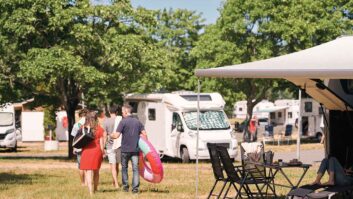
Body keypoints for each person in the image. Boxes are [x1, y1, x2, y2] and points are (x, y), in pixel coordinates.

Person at [110, 104, 147, 194]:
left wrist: (111, 135)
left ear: (126, 111)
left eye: (122, 112)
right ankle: (135, 189)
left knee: (124, 168)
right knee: (135, 169)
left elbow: (117, 135)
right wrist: (145, 149)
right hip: (135, 150)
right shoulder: (137, 122)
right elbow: (145, 135)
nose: (122, 113)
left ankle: (126, 188)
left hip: (125, 150)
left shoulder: (123, 122)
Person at [80, 112, 105, 195]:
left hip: (86, 151)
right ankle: (95, 188)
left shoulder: (83, 128)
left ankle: (91, 192)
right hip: (96, 151)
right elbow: (102, 143)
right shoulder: (99, 129)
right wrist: (102, 152)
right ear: (96, 119)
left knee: (88, 171)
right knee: (96, 171)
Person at [103, 105, 122, 189]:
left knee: (113, 166)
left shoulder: (106, 121)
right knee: (117, 165)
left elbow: (104, 135)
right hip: (118, 145)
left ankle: (115, 183)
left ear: (109, 112)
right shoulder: (120, 120)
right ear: (117, 112)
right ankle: (114, 182)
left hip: (110, 146)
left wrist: (103, 147)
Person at [71, 108, 89, 186]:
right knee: (88, 166)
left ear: (79, 116)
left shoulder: (76, 125)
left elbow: (74, 137)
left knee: (81, 166)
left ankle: (83, 183)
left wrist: (74, 148)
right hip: (89, 147)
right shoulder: (90, 124)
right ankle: (88, 182)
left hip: (79, 147)